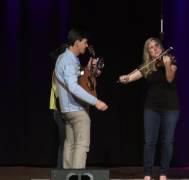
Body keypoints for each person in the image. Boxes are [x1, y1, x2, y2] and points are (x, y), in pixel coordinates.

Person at [119, 37, 180, 180]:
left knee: (167, 141)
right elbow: (134, 76)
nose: (155, 49)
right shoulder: (148, 65)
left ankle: (163, 173)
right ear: (148, 52)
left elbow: (170, 78)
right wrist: (126, 78)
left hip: (171, 107)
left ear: (160, 46)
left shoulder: (171, 60)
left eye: (156, 46)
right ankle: (147, 174)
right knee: (149, 142)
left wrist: (166, 65)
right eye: (151, 48)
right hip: (152, 107)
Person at [55, 29, 108, 169]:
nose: (86, 45)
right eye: (84, 42)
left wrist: (88, 68)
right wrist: (95, 101)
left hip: (67, 110)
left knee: (70, 144)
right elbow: (72, 86)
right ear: (77, 42)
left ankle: (67, 176)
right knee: (81, 145)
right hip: (76, 110)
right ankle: (77, 176)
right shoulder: (69, 60)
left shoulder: (66, 58)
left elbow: (76, 74)